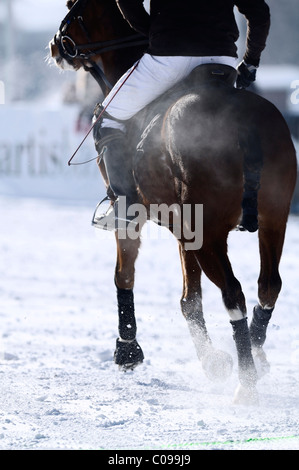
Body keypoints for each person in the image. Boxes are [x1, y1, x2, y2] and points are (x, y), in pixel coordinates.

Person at [93, 0, 270, 231]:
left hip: (168, 58)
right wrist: (251, 60)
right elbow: (259, 12)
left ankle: (126, 207)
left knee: (106, 118)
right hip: (221, 58)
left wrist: (152, 31)